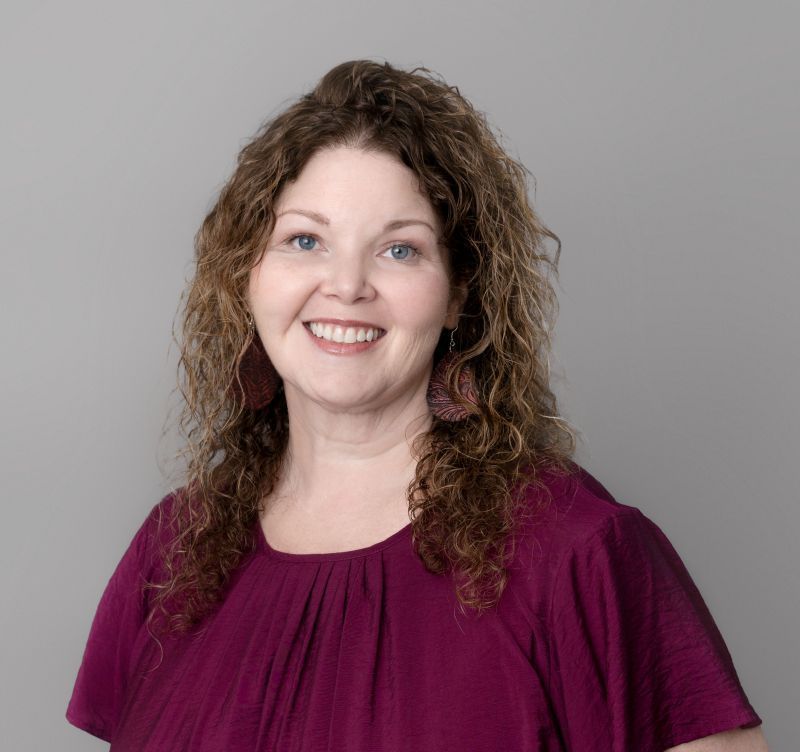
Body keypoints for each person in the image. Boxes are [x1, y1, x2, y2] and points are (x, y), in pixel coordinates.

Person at [66, 59, 767, 751]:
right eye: (304, 240)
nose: (345, 286)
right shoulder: (174, 550)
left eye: (399, 250)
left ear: (460, 291)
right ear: (247, 275)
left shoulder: (577, 551)